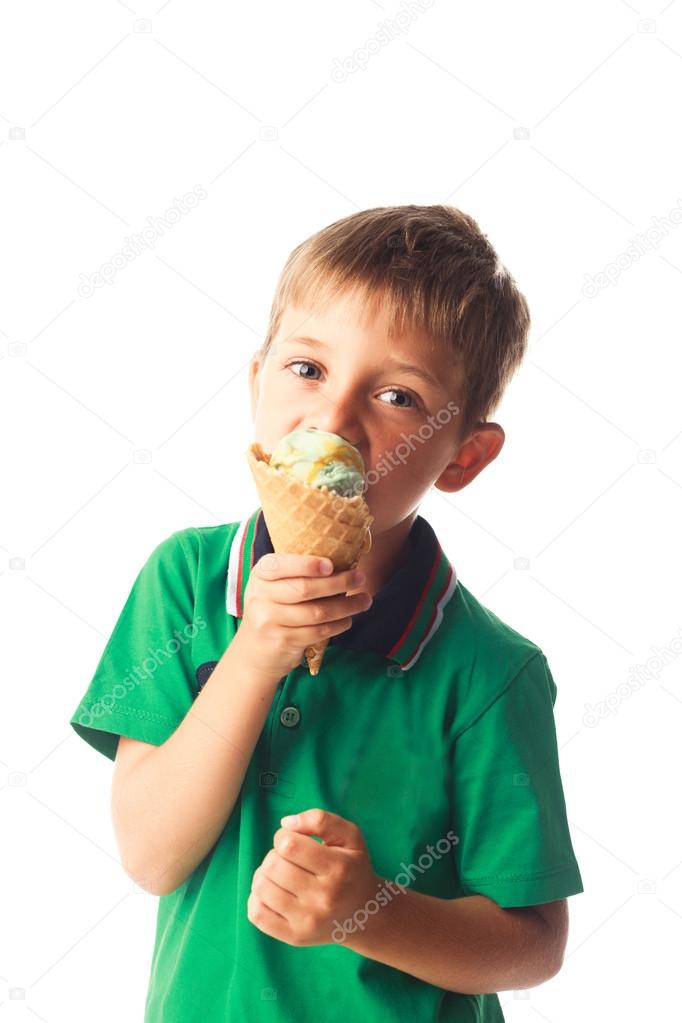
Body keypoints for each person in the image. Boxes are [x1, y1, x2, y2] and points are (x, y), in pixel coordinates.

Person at [69, 204, 584, 1022]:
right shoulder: (185, 583)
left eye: (396, 395)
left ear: (464, 458)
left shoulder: (490, 670)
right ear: (256, 382)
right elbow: (151, 853)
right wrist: (253, 654)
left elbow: (534, 942)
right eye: (307, 369)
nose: (334, 419)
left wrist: (370, 911)